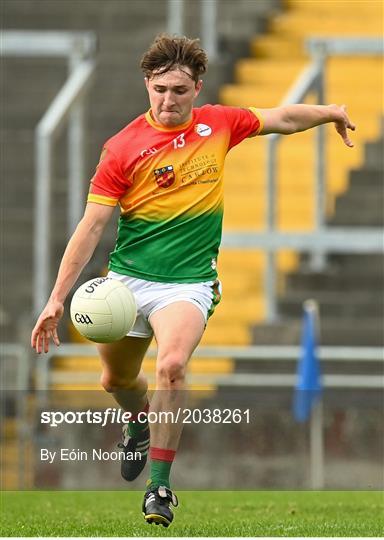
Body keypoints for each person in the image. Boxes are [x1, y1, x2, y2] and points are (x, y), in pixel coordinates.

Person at [31, 34, 355, 527]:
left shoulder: (219, 123)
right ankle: (137, 422)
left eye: (179, 90)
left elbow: (281, 118)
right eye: (160, 89)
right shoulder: (121, 148)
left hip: (187, 284)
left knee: (174, 366)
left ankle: (159, 489)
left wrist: (329, 110)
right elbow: (92, 225)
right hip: (126, 282)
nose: (168, 100)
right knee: (115, 380)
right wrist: (56, 300)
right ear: (147, 85)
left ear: (197, 87)